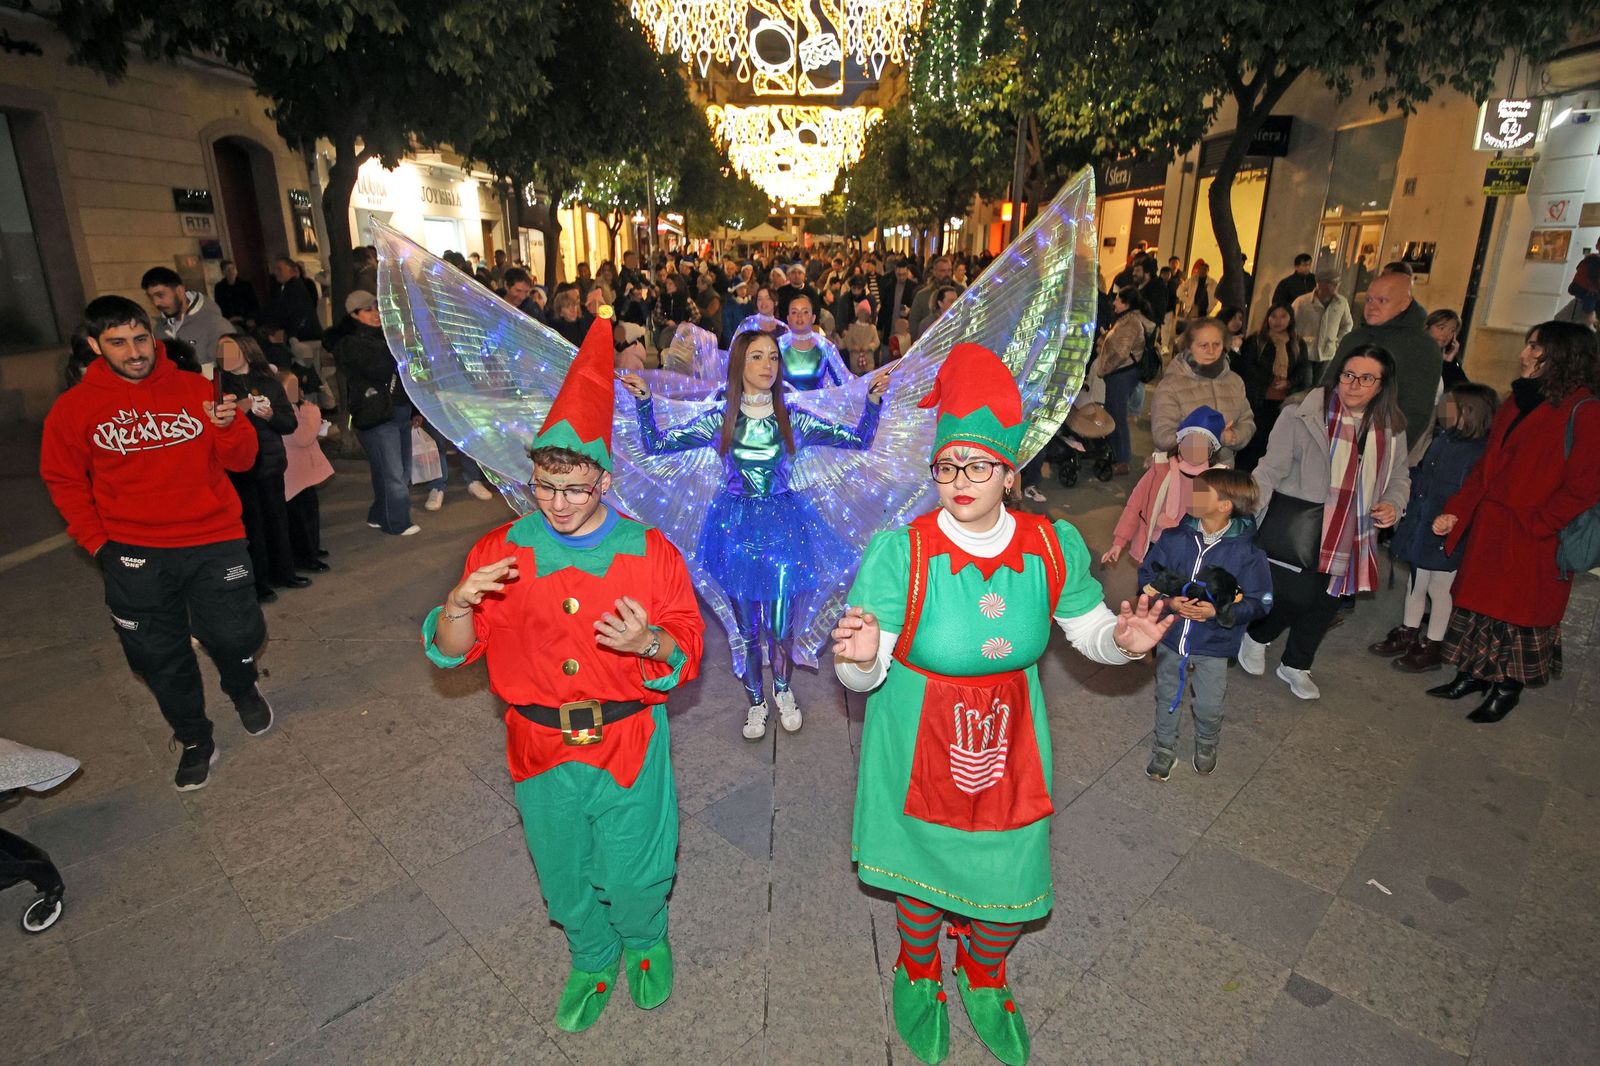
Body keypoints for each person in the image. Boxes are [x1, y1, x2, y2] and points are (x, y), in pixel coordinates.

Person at [830, 343, 1172, 1066]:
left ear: (1010, 473)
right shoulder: (902, 552)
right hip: (915, 732)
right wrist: (858, 663)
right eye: (948, 465)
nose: (961, 480)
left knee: (1008, 874)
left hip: (1010, 736)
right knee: (922, 879)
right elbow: (867, 671)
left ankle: (984, 974)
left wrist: (1127, 639)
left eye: (978, 465)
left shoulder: (1051, 545)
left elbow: (1088, 635)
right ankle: (919, 967)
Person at [425, 315, 705, 1033]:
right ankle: (589, 951)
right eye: (545, 485)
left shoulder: (650, 552)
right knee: (560, 865)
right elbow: (454, 651)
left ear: (604, 481)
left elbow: (686, 647)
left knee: (637, 862)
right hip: (537, 744)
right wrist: (456, 605)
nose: (556, 503)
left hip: (628, 741)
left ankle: (644, 941)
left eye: (574, 488)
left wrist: (649, 642)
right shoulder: (501, 547)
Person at [39, 296, 272, 791]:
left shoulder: (195, 389)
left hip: (214, 539)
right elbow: (63, 480)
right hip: (132, 550)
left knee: (236, 635)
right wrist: (97, 544)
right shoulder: (74, 408)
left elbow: (243, 461)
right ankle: (193, 738)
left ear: (153, 336)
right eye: (118, 343)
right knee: (157, 657)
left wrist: (229, 427)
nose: (135, 351)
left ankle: (241, 684)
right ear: (95, 346)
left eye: (140, 338)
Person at [625, 332, 890, 740]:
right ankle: (756, 702)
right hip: (735, 532)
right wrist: (644, 402)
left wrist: (872, 402)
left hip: (785, 530)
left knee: (781, 630)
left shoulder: (793, 418)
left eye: (772, 357)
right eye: (756, 357)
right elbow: (658, 444)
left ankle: (783, 690)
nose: (767, 365)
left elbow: (858, 439)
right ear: (739, 366)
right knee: (748, 632)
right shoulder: (722, 419)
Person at [1429, 322, 1600, 723]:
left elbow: (1587, 486)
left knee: (1519, 614)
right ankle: (1471, 673)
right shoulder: (1519, 399)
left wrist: (1541, 524)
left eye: (1534, 346)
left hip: (1534, 536)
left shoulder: (1586, 410)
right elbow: (1488, 464)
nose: (1524, 354)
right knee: (1479, 606)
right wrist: (1459, 509)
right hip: (1493, 525)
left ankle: (1507, 687)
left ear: (1560, 355)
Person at [1239, 345, 1411, 699]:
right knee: (1296, 595)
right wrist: (1246, 514)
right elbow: (1270, 469)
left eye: (1366, 378)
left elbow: (1400, 478)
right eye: (1348, 375)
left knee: (1327, 601)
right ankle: (1257, 635)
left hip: (1355, 531)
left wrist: (1394, 504)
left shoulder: (1390, 429)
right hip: (1302, 525)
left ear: (1382, 385)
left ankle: (1297, 663)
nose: (1354, 384)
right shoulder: (1303, 415)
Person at [1138, 468, 1273, 779]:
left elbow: (1262, 601)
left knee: (1209, 704)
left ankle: (1207, 740)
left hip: (1213, 645)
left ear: (1225, 506)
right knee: (1167, 696)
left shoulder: (1247, 553)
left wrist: (1219, 612)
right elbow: (1147, 575)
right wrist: (1169, 602)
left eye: (1202, 492)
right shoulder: (1174, 538)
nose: (1192, 496)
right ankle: (1164, 747)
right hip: (1170, 637)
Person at [1369, 383, 1497, 671]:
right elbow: (1422, 474)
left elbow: (1472, 497)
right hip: (1422, 523)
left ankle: (1433, 644)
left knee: (1440, 590)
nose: (1443, 412)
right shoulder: (1443, 439)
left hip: (1447, 532)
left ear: (1471, 413)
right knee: (1416, 581)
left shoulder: (1480, 453)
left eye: (1451, 407)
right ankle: (1408, 631)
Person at [216, 334, 305, 602]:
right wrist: (239, 410)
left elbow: (289, 424)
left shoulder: (269, 383)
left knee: (277, 518)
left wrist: (271, 416)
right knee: (251, 525)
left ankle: (284, 572)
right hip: (238, 466)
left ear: (246, 351)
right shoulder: (218, 386)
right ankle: (259, 582)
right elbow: (214, 424)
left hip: (269, 460)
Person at [334, 290, 419, 536]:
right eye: (368, 310)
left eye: (377, 308)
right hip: (376, 415)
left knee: (394, 469)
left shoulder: (385, 337)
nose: (376, 314)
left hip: (399, 409)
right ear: (354, 315)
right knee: (393, 473)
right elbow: (380, 368)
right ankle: (397, 522)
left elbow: (405, 375)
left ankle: (379, 514)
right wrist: (399, 343)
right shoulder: (350, 343)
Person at [1325, 272, 1440, 443]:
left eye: (1382, 301)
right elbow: (1327, 386)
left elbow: (1416, 410)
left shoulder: (1421, 347)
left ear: (1404, 303)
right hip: (1333, 435)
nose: (1372, 306)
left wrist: (1389, 452)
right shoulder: (1354, 338)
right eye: (1369, 300)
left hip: (1379, 443)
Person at [1103, 406, 1224, 566]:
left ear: (1212, 451)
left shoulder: (1217, 481)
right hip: (1154, 544)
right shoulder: (1159, 469)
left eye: (1203, 445)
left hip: (1188, 553)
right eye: (1190, 441)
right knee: (1146, 587)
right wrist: (1119, 542)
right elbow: (1135, 505)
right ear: (1180, 442)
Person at [1149, 317, 1254, 467]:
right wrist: (1215, 439)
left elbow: (1247, 421)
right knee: (1197, 492)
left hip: (1221, 470)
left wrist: (1235, 437)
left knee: (1210, 491)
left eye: (1216, 344)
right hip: (1180, 470)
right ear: (1189, 346)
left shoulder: (1235, 382)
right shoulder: (1171, 385)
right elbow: (1163, 435)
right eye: (1203, 345)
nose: (1211, 351)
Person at [1232, 304, 1312, 472]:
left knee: (1274, 442)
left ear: (1290, 319)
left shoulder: (1297, 343)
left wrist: (1289, 382)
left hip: (1284, 403)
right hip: (1258, 399)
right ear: (1267, 318)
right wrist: (1270, 380)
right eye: (1273, 316)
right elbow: (1248, 366)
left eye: (1283, 316)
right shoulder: (1256, 340)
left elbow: (1303, 369)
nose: (1278, 321)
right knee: (1253, 442)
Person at [1093, 285, 1156, 475]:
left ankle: (1123, 459)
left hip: (1121, 373)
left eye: (1119, 299)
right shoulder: (1129, 319)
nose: (1114, 302)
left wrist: (1105, 369)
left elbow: (1121, 352)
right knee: (1114, 413)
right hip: (1124, 372)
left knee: (1117, 416)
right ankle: (1117, 453)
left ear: (1127, 304)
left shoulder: (1131, 322)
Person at [278, 369, 333, 574]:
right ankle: (304, 557)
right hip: (293, 472)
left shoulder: (293, 407)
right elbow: (302, 437)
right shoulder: (288, 410)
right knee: (300, 517)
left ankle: (310, 549)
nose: (296, 390)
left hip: (300, 471)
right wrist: (313, 413)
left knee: (309, 512)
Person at [143, 266, 232, 371]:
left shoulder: (216, 325)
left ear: (179, 290)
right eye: (151, 297)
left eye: (160, 295)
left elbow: (232, 370)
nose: (156, 302)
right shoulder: (159, 329)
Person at [779, 293, 850, 390]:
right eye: (794, 312)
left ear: (813, 318)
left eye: (805, 312)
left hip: (818, 404)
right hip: (785, 404)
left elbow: (843, 382)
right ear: (788, 318)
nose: (799, 316)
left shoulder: (825, 346)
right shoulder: (779, 346)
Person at [1292, 266, 1354, 374]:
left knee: (1320, 385)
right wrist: (1296, 343)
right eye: (1332, 283)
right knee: (1306, 382)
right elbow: (1291, 324)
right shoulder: (1302, 302)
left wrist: (1337, 341)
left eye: (1337, 282)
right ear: (1319, 284)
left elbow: (1347, 325)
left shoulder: (1341, 303)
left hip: (1328, 352)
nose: (1336, 286)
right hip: (1306, 352)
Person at [908, 256, 956, 338]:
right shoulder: (922, 295)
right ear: (934, 272)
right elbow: (913, 323)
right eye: (943, 271)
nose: (947, 274)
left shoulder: (961, 291)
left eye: (949, 270)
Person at [1426, 309, 1466, 387]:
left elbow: (1464, 392)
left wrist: (1448, 363)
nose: (1446, 334)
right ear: (1427, 328)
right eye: (1441, 328)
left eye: (1452, 331)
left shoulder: (1450, 361)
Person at [879, 260, 916, 342]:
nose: (901, 277)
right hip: (890, 327)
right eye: (899, 275)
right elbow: (883, 308)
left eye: (904, 274)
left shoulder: (913, 288)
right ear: (895, 272)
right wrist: (879, 328)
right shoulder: (889, 287)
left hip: (905, 329)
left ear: (907, 273)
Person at [843, 299, 881, 374]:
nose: (863, 315)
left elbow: (876, 342)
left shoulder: (872, 328)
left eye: (866, 313)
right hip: (855, 361)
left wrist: (869, 346)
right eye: (861, 312)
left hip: (868, 360)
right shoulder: (852, 328)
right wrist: (853, 347)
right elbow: (847, 342)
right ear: (858, 314)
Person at [1175, 260, 1216, 326]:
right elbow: (1179, 291)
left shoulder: (1212, 283)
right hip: (1192, 308)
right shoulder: (1192, 280)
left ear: (1208, 270)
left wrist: (1211, 306)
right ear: (1198, 270)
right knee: (1190, 327)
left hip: (1204, 310)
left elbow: (1215, 297)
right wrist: (1188, 300)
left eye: (1204, 269)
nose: (1202, 271)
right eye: (1201, 269)